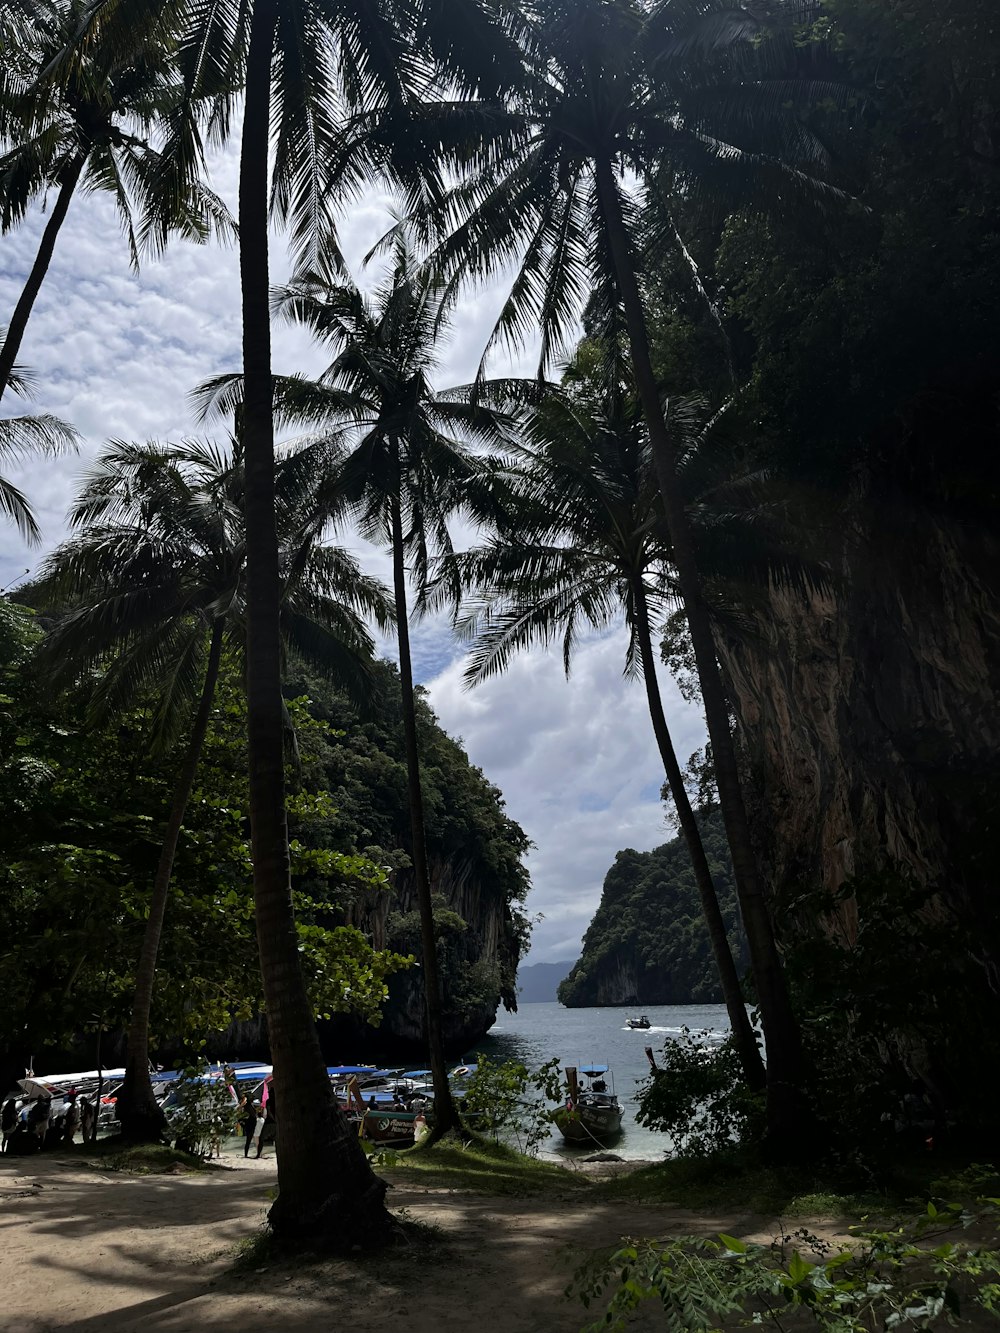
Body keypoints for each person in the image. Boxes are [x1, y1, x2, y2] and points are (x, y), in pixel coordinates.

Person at [256, 1083, 276, 1159]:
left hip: (269, 1122)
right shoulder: (277, 1100)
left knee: (261, 1139)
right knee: (276, 1139)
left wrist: (273, 1119)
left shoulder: (269, 1101)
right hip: (275, 1122)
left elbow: (269, 1111)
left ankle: (258, 1155)